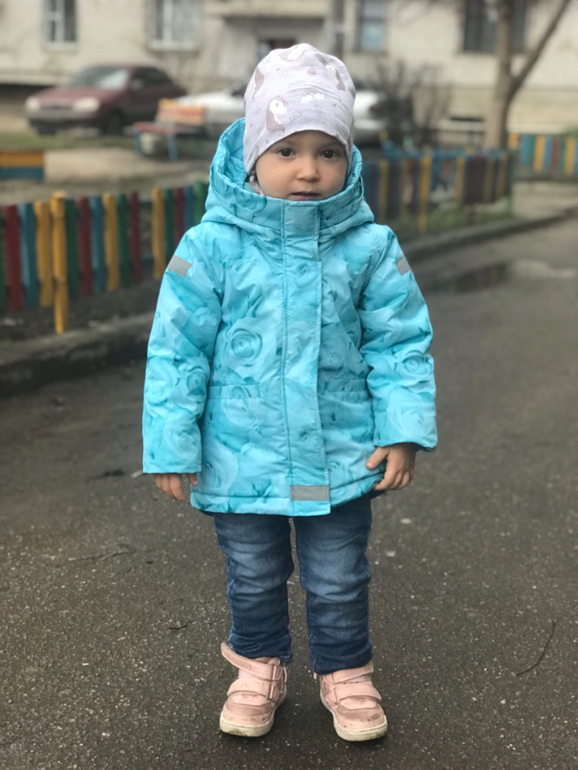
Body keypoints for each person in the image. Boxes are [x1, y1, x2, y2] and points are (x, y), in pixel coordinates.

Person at [142, 44, 437, 743]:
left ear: (349, 158)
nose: (308, 169)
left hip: (341, 454)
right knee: (252, 573)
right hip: (238, 455)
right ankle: (258, 667)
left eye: (328, 151)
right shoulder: (211, 247)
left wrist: (401, 428)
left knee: (338, 576)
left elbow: (399, 342)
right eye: (287, 151)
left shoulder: (369, 247)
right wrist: (171, 444)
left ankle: (346, 671)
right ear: (252, 157)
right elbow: (177, 351)